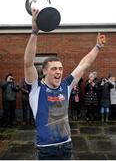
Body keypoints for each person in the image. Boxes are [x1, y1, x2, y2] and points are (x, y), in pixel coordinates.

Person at [24, 8, 106, 160]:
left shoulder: (65, 86)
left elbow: (84, 64)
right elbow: (28, 63)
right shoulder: (36, 89)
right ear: (44, 72)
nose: (59, 72)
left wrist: (97, 47)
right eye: (54, 69)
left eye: (60, 69)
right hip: (46, 149)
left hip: (67, 145)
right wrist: (34, 33)